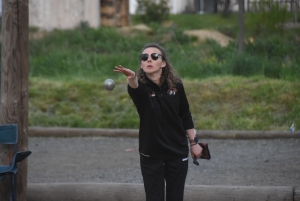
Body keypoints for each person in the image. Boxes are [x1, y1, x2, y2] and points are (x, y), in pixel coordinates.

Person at [114, 43, 202, 201]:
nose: (149, 59)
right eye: (144, 57)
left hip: (177, 151)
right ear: (141, 64)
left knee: (175, 197)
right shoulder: (141, 88)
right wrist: (132, 77)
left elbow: (185, 115)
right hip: (151, 153)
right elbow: (135, 86)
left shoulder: (176, 86)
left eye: (154, 56)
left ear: (163, 63)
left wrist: (194, 143)